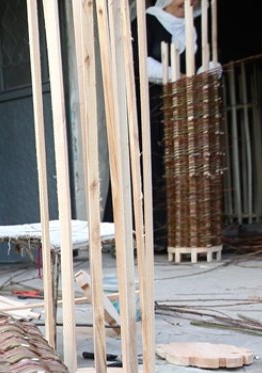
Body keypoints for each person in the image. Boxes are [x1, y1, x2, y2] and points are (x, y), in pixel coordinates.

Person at [103, 0, 218, 248]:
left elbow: (212, 58)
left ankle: (174, 237)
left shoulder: (200, 22)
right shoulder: (146, 23)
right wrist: (179, 77)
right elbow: (137, 63)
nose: (187, 7)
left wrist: (207, 71)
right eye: (181, 4)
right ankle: (133, 239)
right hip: (148, 108)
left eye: (192, 4)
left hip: (184, 115)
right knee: (144, 166)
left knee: (180, 173)